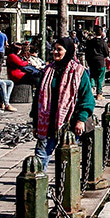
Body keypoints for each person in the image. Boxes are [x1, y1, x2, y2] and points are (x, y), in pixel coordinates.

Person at [32, 38, 95, 171]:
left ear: (68, 51)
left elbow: (87, 98)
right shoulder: (47, 71)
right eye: (54, 49)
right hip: (47, 124)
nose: (55, 52)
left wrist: (81, 119)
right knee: (40, 157)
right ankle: (39, 188)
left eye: (59, 49)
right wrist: (35, 123)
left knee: (67, 162)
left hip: (69, 124)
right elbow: (38, 98)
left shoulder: (79, 72)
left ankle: (66, 190)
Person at [83, 32, 109, 98]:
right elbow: (106, 52)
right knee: (100, 77)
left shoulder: (90, 42)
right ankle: (99, 93)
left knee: (92, 76)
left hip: (92, 61)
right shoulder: (103, 42)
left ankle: (91, 90)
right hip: (100, 61)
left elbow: (87, 51)